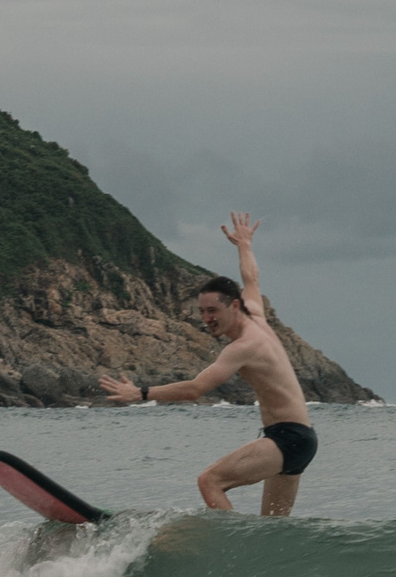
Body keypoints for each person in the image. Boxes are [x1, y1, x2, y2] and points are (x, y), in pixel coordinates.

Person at [98, 212, 317, 516]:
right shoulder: (255, 313)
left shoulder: (244, 346)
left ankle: (229, 548)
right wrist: (244, 245)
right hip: (300, 440)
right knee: (273, 531)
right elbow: (251, 278)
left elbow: (195, 390)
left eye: (212, 311)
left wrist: (141, 394)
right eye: (202, 312)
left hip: (287, 439)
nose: (207, 319)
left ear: (233, 306)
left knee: (209, 481)